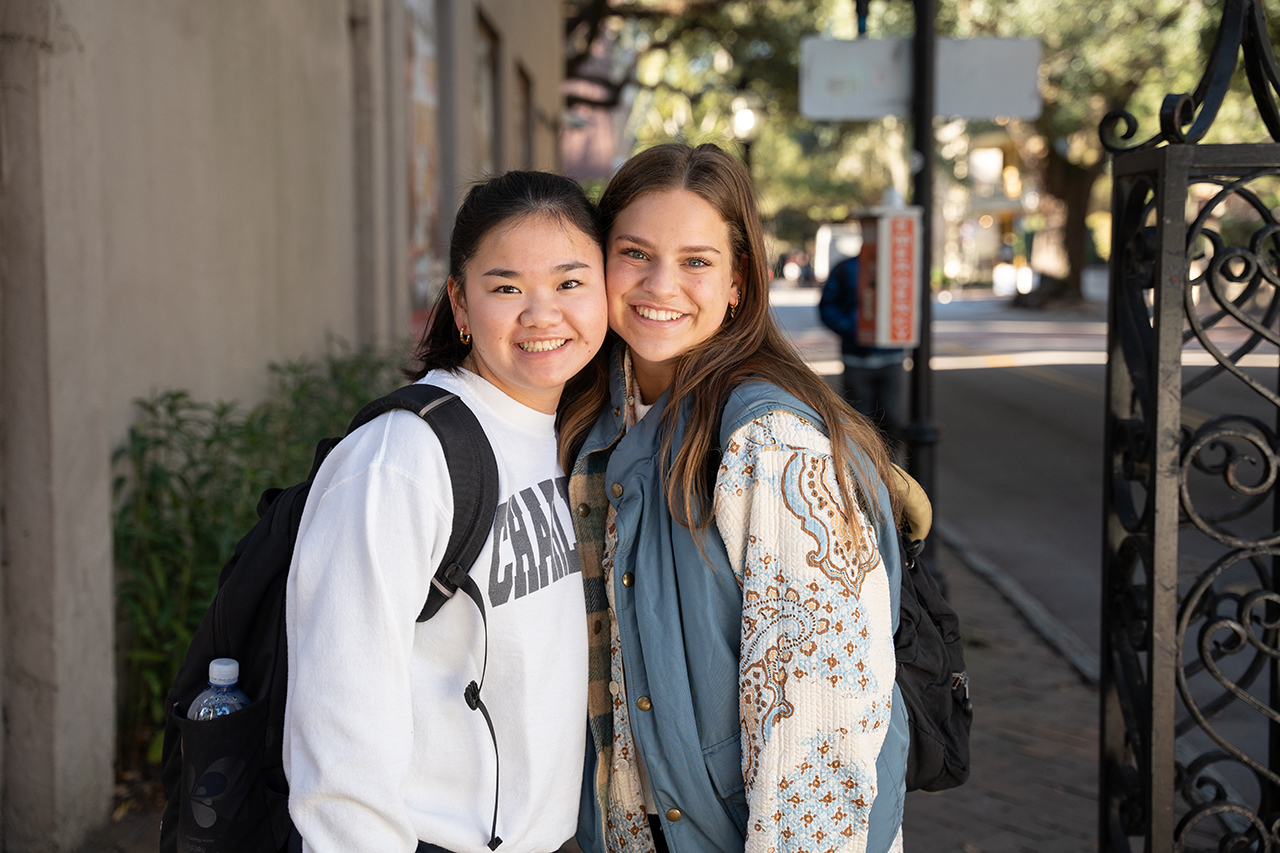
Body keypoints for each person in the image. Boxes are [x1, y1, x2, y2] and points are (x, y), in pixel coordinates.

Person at [560, 143, 913, 853]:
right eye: (635, 252)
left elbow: (819, 730)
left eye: (696, 260)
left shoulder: (771, 444)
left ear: (737, 282)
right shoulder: (601, 418)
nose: (661, 284)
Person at [283, 171, 608, 853]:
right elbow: (339, 718)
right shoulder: (400, 458)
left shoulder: (574, 436)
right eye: (507, 287)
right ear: (460, 302)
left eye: (570, 283)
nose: (542, 313)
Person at [818, 252, 906, 443]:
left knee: (891, 419)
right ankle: (861, 468)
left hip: (891, 357)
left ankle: (887, 468)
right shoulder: (846, 268)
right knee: (858, 422)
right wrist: (853, 328)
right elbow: (827, 306)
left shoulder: (898, 268)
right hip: (856, 358)